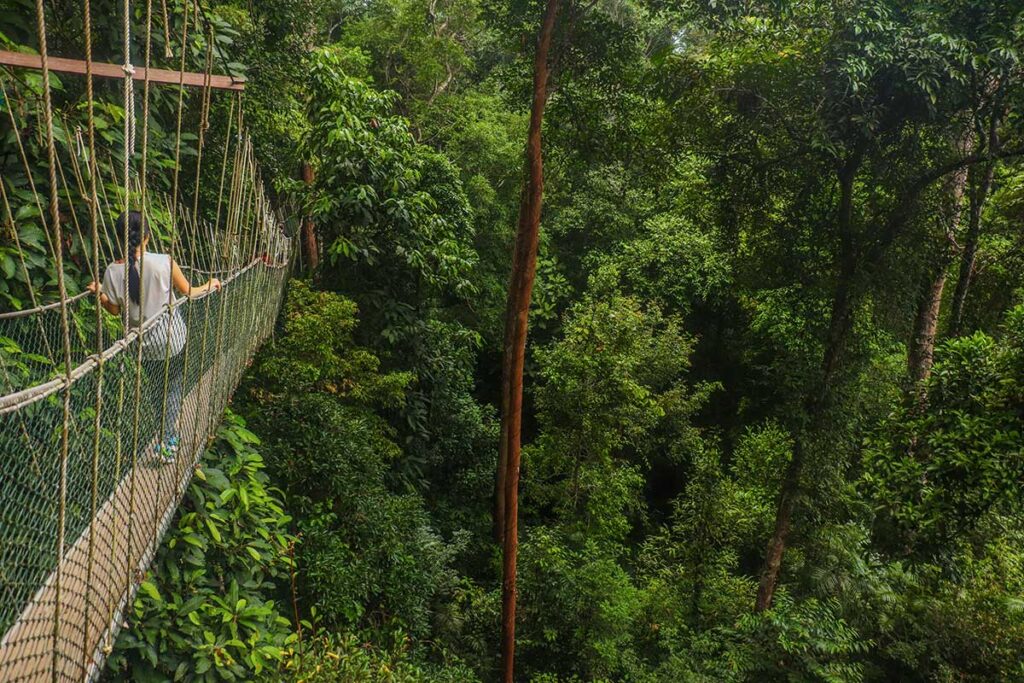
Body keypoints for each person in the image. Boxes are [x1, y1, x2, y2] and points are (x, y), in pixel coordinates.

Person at [88, 210, 221, 463]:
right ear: (147, 236)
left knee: (157, 392)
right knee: (172, 391)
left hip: (143, 346)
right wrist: (212, 283)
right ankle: (169, 442)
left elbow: (115, 311)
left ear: (120, 238)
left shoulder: (111, 272)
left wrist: (101, 294)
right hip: (172, 340)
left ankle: (165, 436)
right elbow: (191, 293)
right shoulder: (164, 262)